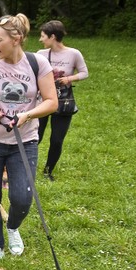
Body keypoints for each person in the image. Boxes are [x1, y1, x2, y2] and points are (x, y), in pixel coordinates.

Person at [0, 13, 58, 263]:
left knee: (21, 196)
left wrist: (28, 114)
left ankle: (13, 228)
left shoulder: (37, 64)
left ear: (16, 39)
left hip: (24, 141)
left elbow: (52, 102)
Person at [36, 20, 89, 181]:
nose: (40, 39)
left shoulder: (73, 53)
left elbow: (84, 72)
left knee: (57, 140)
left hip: (63, 102)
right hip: (43, 101)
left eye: (43, 36)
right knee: (35, 136)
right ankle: (23, 167)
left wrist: (69, 79)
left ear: (53, 37)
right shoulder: (41, 54)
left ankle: (48, 171)